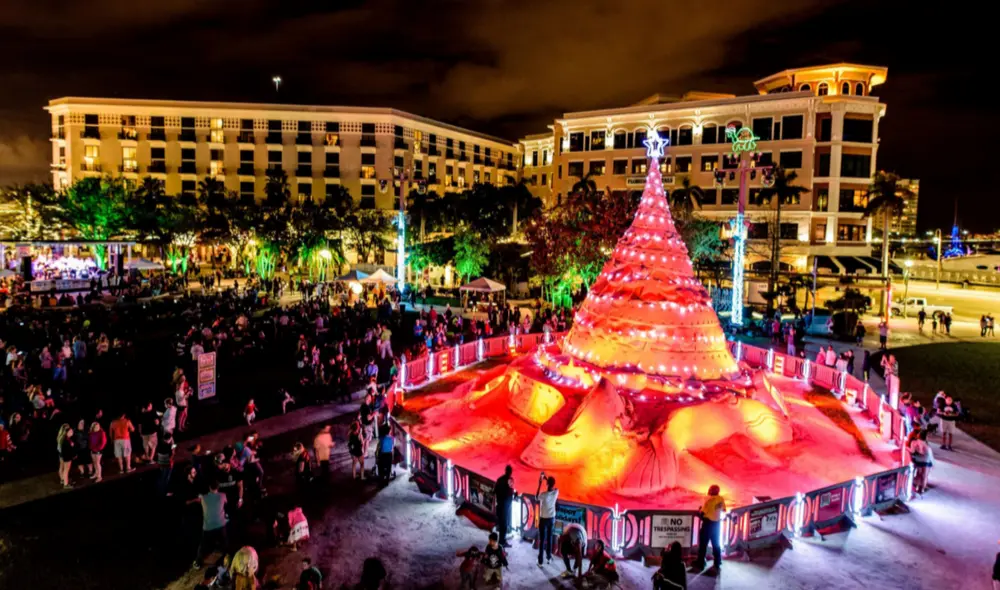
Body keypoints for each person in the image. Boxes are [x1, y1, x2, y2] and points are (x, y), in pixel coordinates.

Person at [191, 480, 229, 569]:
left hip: (208, 527)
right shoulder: (223, 495)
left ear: (209, 487)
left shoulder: (203, 498)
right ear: (218, 487)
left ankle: (198, 562)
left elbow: (198, 500)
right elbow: (226, 503)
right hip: (220, 525)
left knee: (203, 545)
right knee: (224, 543)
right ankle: (227, 558)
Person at [693, 484, 726, 572]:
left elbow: (702, 513)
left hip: (708, 524)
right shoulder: (721, 499)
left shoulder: (708, 500)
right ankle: (717, 562)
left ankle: (700, 563)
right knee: (716, 544)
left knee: (703, 545)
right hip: (717, 525)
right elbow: (724, 510)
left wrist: (699, 510)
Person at [536, 474, 558, 566]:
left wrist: (540, 483)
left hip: (544, 519)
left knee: (542, 540)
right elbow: (554, 487)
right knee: (549, 539)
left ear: (547, 484)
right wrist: (547, 480)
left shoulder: (543, 495)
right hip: (551, 519)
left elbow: (536, 497)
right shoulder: (556, 492)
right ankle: (548, 557)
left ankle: (540, 561)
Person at [909, 430, 934, 495]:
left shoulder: (914, 442)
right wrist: (933, 464)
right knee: (924, 476)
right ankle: (922, 489)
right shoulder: (927, 445)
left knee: (918, 474)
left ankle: (916, 487)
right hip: (927, 461)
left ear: (918, 435)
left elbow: (912, 452)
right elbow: (930, 455)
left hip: (918, 461)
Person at [494, 465, 514, 547]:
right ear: (510, 472)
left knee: (501, 524)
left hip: (499, 505)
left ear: (505, 470)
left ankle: (501, 541)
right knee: (504, 525)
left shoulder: (499, 479)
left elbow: (494, 491)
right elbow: (511, 492)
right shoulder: (510, 480)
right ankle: (502, 543)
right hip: (505, 506)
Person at [56, 423, 75, 488]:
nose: (70, 430)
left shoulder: (61, 437)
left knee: (62, 468)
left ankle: (63, 480)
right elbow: (66, 450)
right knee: (65, 469)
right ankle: (65, 484)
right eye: (67, 429)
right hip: (65, 456)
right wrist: (71, 446)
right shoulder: (64, 440)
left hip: (62, 455)